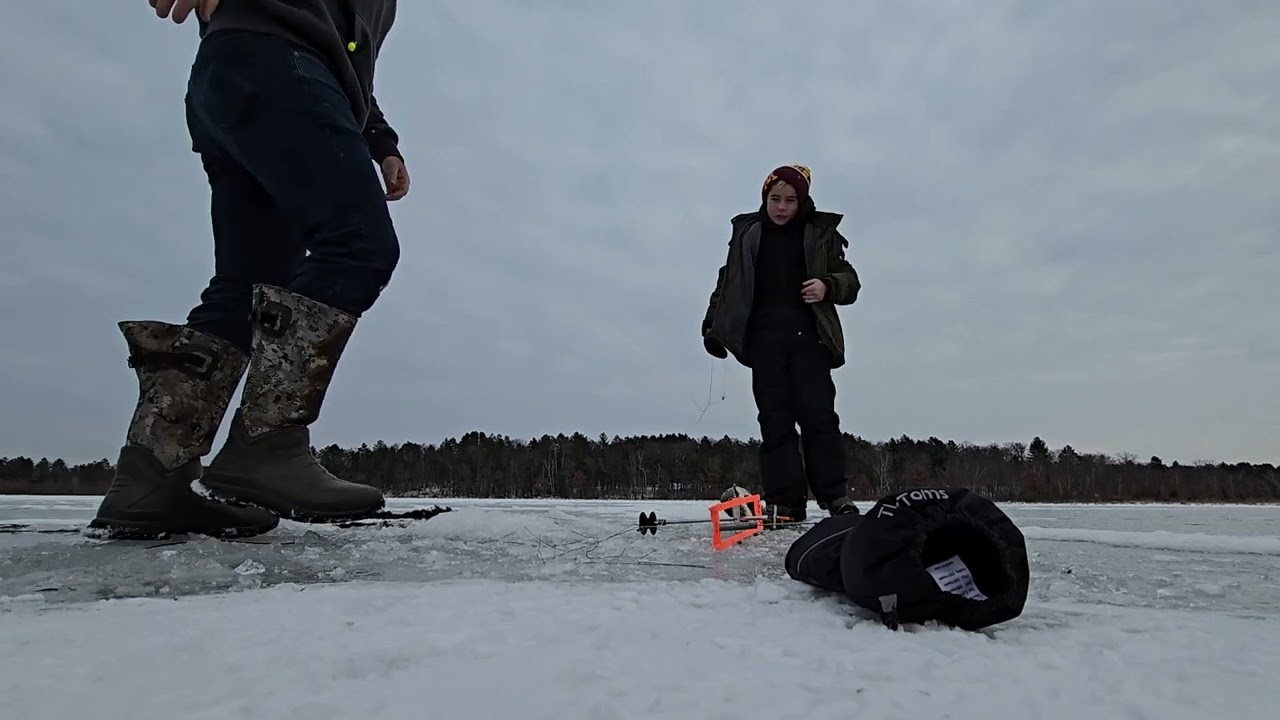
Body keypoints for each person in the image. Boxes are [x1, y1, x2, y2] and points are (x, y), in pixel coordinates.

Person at [87, 0, 410, 540]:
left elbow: (347, 57)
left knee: (246, 284)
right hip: (274, 62)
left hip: (253, 73)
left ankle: (152, 474)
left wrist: (381, 142)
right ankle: (267, 443)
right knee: (358, 245)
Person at [701, 164, 860, 523]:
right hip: (765, 343)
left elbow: (850, 280)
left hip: (810, 342)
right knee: (775, 421)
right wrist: (713, 326)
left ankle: (835, 496)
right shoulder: (749, 233)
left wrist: (827, 286)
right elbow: (728, 283)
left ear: (801, 201)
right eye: (775, 199)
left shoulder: (818, 233)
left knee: (819, 417)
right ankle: (786, 503)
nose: (781, 207)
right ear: (765, 198)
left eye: (790, 200)